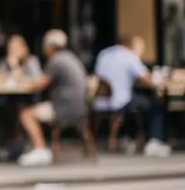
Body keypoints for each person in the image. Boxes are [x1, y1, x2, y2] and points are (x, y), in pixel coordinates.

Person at [17, 29, 89, 167]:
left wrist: (20, 76)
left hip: (64, 107)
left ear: (50, 46)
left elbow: (40, 84)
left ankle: (40, 149)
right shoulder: (70, 57)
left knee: (26, 114)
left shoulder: (56, 61)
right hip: (81, 107)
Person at [92, 35, 171, 157]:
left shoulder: (104, 54)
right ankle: (154, 141)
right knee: (155, 104)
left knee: (135, 101)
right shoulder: (129, 56)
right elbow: (147, 79)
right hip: (120, 102)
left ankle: (127, 137)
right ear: (130, 46)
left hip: (100, 101)